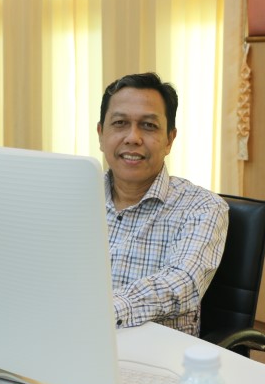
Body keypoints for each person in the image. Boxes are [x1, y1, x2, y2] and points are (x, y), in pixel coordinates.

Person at [97, 72, 228, 337]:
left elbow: (181, 283)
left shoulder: (203, 207)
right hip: (69, 340)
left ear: (169, 139)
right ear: (101, 134)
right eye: (120, 123)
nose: (133, 138)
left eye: (148, 126)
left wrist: (99, 311)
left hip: (153, 354)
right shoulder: (75, 197)